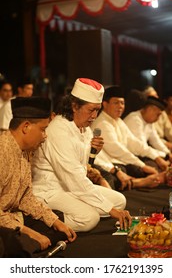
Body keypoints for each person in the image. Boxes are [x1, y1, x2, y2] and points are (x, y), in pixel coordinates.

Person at [31, 78, 132, 232]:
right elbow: (74, 178)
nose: (94, 116)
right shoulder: (59, 130)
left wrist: (94, 152)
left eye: (97, 110)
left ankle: (78, 207)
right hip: (50, 191)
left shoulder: (84, 127)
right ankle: (40, 221)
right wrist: (110, 210)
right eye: (91, 110)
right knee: (89, 218)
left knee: (119, 200)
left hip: (72, 187)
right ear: (74, 106)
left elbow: (81, 168)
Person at [0, 96, 76, 254]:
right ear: (26, 127)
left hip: (13, 217)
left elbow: (26, 197)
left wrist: (53, 220)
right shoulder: (2, 151)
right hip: (4, 223)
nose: (45, 136)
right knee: (13, 242)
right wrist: (28, 232)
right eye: (43, 129)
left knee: (57, 221)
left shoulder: (26, 151)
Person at [91, 86, 164, 191]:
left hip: (120, 162)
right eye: (116, 103)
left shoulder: (118, 121)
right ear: (105, 104)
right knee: (130, 171)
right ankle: (138, 183)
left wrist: (157, 157)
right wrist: (142, 165)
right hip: (111, 164)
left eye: (122, 103)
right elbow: (117, 150)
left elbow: (133, 143)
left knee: (147, 166)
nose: (120, 106)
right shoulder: (102, 123)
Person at [124, 95, 172, 170]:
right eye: (158, 115)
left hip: (143, 153)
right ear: (150, 110)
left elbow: (156, 141)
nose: (158, 118)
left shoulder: (149, 122)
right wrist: (163, 156)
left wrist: (168, 154)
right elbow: (141, 146)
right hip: (131, 156)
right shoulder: (134, 119)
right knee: (155, 166)